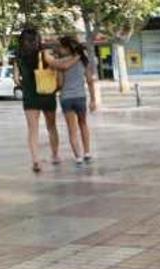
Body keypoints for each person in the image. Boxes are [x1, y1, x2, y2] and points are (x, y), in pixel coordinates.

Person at [13, 27, 77, 173]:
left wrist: (26, 85)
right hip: (47, 94)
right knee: (51, 127)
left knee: (32, 130)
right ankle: (55, 155)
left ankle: (36, 160)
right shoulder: (44, 54)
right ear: (38, 39)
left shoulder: (18, 57)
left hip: (30, 96)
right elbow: (57, 67)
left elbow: (16, 79)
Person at [57, 36, 97, 166]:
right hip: (80, 97)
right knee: (83, 124)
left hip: (66, 98)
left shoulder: (61, 63)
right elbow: (90, 81)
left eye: (61, 47)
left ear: (67, 48)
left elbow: (60, 83)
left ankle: (78, 157)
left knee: (72, 128)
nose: (59, 49)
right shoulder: (83, 61)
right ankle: (87, 153)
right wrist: (93, 100)